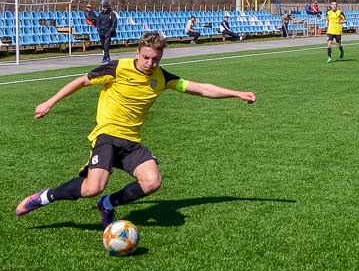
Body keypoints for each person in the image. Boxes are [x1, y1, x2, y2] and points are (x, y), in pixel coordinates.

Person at [15, 32, 256, 228]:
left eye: (156, 59)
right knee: (92, 187)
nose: (151, 64)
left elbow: (201, 88)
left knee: (152, 182)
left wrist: (236, 94)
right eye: (146, 58)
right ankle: (45, 197)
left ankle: (108, 203)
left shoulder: (162, 77)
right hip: (107, 135)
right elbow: (81, 81)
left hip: (131, 142)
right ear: (137, 53)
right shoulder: (117, 68)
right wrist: (49, 102)